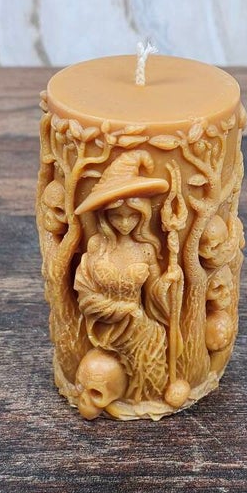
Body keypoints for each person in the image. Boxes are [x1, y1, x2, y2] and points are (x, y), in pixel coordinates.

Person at [73, 150, 178, 406]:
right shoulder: (97, 247)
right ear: (105, 216)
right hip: (105, 325)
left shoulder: (146, 250)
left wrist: (169, 282)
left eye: (132, 216)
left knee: (154, 344)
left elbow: (154, 293)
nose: (124, 223)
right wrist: (121, 309)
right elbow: (85, 294)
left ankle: (145, 395)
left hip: (141, 325)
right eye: (117, 216)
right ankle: (99, 390)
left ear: (142, 215)